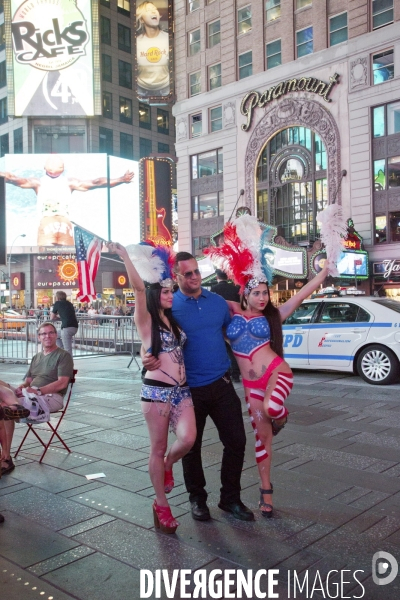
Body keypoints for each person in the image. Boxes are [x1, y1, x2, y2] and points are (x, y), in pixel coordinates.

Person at [206, 214, 330, 518]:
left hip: (277, 373)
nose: (263, 297)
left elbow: (303, 293)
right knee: (261, 439)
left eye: (266, 292)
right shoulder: (230, 311)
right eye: (257, 292)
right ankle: (265, 490)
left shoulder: (273, 315)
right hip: (251, 387)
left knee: (274, 409)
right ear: (244, 292)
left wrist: (323, 273)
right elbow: (201, 296)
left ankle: (282, 415)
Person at [143, 252, 255, 522]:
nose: (195, 277)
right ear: (177, 276)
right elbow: (150, 332)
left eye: (197, 272)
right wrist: (146, 354)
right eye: (188, 274)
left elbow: (231, 335)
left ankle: (230, 499)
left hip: (221, 382)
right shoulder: (170, 305)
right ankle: (197, 499)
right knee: (191, 447)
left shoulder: (217, 302)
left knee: (237, 441)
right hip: (187, 390)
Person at [107, 241, 196, 534]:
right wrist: (123, 256)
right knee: (156, 448)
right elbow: (139, 290)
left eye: (172, 290)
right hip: (156, 392)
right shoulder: (144, 320)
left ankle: (169, 464)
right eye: (167, 291)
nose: (171, 295)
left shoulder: (172, 321)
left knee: (188, 439)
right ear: (157, 293)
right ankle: (161, 504)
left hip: (181, 392)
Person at [0, 156, 134, 246]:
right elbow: (97, 182)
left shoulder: (38, 182)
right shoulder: (69, 182)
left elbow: (13, 179)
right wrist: (121, 179)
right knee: (66, 259)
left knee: (47, 258)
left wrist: (121, 179)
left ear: (45, 169)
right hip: (64, 222)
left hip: (48, 222)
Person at [0, 321, 73, 475]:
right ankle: (14, 405)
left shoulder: (63, 355)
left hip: (49, 397)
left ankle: (6, 457)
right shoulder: (36, 357)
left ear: (56, 335)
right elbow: (27, 382)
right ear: (39, 337)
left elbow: (62, 383)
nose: (47, 336)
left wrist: (37, 390)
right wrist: (21, 389)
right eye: (44, 333)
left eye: (51, 332)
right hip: (29, 394)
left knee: (3, 409)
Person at [211, 269, 241, 382]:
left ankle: (225, 373)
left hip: (219, 324)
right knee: (233, 350)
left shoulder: (214, 290)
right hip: (235, 322)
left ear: (217, 277)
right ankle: (236, 374)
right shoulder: (234, 288)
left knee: (221, 349)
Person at [136, 2, 170, 98]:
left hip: (165, 88)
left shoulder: (168, 38)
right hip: (142, 89)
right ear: (142, 19)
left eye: (155, 9)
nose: (153, 11)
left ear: (159, 16)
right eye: (148, 10)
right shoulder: (137, 42)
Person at [51, 291, 79, 355]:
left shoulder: (57, 303)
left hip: (66, 327)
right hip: (74, 327)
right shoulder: (70, 304)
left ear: (57, 298)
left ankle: (68, 362)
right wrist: (62, 317)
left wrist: (58, 318)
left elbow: (52, 317)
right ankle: (62, 351)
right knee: (55, 335)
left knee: (68, 350)